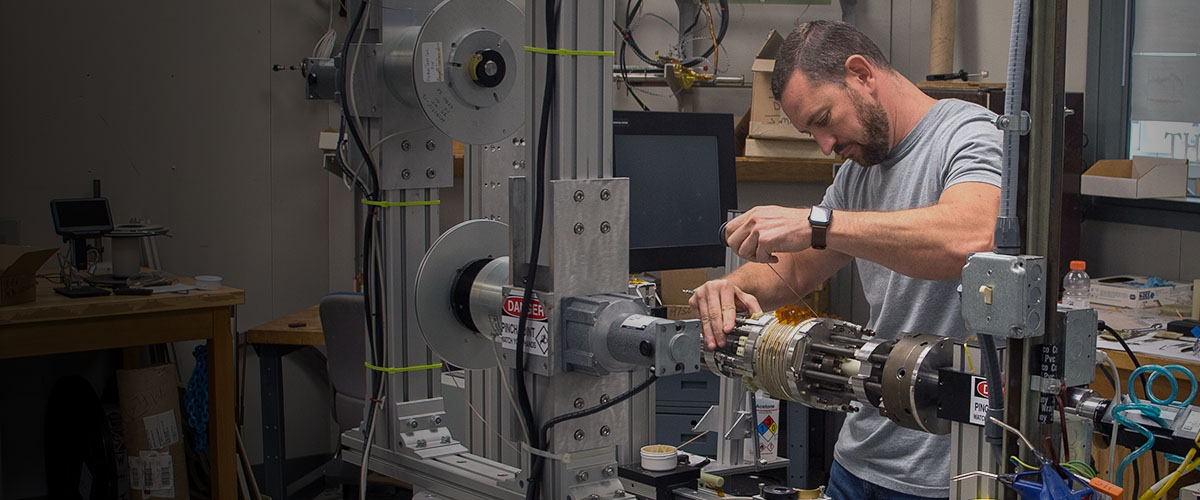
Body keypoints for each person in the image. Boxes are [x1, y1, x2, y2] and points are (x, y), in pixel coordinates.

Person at [688, 20, 1002, 500]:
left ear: (861, 74)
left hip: (947, 472)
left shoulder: (968, 134)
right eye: (810, 131)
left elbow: (972, 237)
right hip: (859, 461)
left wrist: (819, 223)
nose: (826, 145)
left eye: (823, 119)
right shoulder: (859, 173)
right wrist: (733, 288)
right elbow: (793, 269)